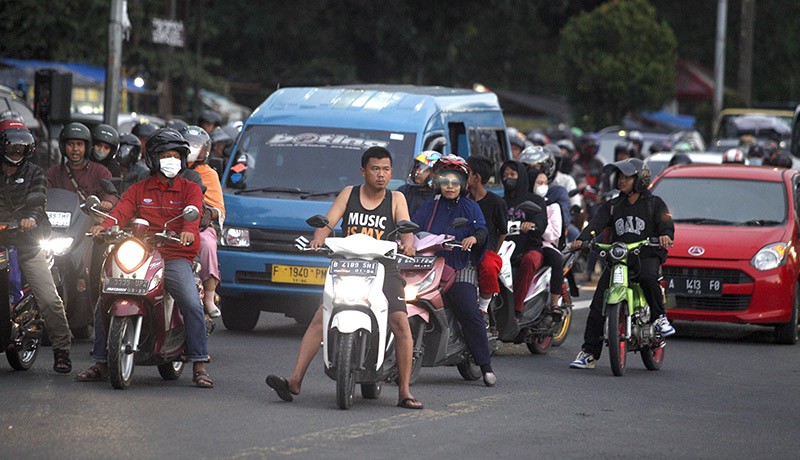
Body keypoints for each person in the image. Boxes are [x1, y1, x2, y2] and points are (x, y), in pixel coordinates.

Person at [266, 146, 423, 408]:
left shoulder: (396, 198)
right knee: (320, 317)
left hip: (384, 267)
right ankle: (295, 379)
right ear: (363, 171)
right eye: (375, 169)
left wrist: (408, 244)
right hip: (347, 265)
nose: (381, 175)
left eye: (386, 169)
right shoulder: (349, 193)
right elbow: (327, 223)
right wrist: (318, 240)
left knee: (400, 322)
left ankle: (405, 391)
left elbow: (406, 229)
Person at [78, 128, 213, 388]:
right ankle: (101, 362)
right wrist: (103, 226)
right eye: (165, 155)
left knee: (191, 302)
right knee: (104, 298)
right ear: (153, 158)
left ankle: (199, 363)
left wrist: (187, 231)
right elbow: (120, 211)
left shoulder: (190, 188)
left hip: (174, 255)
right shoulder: (139, 189)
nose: (171, 160)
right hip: (141, 254)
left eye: (176, 155)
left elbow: (193, 214)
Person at [569, 158, 675, 370]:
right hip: (618, 259)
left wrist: (664, 235)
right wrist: (582, 239)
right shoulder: (613, 206)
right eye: (619, 177)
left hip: (645, 255)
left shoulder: (654, 204)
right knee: (598, 302)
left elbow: (666, 224)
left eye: (627, 177)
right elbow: (596, 225)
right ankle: (589, 353)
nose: (621, 181)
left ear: (640, 179)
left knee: (648, 277)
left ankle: (659, 318)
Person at [412, 155, 496, 387]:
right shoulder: (429, 207)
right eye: (445, 181)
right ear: (438, 182)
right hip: (428, 266)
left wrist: (472, 237)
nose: (450, 186)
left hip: (460, 266)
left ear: (463, 184)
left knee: (468, 310)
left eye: (455, 181)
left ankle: (485, 365)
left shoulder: (471, 207)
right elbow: (411, 227)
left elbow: (481, 231)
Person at [0, 121, 72, 373]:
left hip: (26, 245)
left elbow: (38, 202)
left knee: (49, 300)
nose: (17, 150)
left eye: (22, 145)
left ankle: (62, 350)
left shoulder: (35, 173)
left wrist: (29, 219)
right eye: (12, 144)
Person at [180, 125, 225, 318]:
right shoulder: (170, 170)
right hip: (171, 224)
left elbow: (219, 210)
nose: (192, 148)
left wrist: (208, 213)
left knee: (207, 244)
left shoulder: (209, 174)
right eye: (188, 144)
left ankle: (208, 295)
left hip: (200, 226)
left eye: (196, 145)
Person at [498, 159, 549, 317]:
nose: (509, 178)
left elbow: (541, 222)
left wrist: (531, 224)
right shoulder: (501, 202)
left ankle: (517, 310)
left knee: (530, 260)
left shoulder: (535, 200)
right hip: (504, 250)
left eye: (512, 174)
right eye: (505, 175)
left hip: (528, 249)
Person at [466, 155, 508, 331]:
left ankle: (483, 309)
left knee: (489, 266)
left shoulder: (496, 202)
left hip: (485, 250)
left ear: (476, 177)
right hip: (460, 248)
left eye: (466, 173)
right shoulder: (461, 199)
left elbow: (502, 232)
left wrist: (491, 250)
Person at [46, 123, 118, 211]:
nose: (75, 148)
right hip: (58, 219)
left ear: (87, 147)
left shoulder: (101, 172)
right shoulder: (53, 173)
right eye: (70, 144)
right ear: (63, 147)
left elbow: (110, 193)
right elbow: (43, 195)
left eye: (79, 144)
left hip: (90, 221)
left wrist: (108, 201)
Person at [397, 150, 440, 217]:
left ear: (435, 174)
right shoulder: (404, 191)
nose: (418, 172)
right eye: (418, 167)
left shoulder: (438, 197)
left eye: (425, 170)